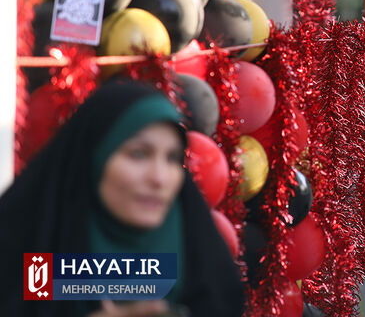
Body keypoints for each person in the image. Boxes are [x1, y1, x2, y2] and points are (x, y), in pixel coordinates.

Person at [0, 80, 245, 316]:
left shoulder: (202, 264)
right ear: (93, 158)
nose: (159, 178)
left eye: (172, 158)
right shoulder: (30, 253)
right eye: (139, 154)